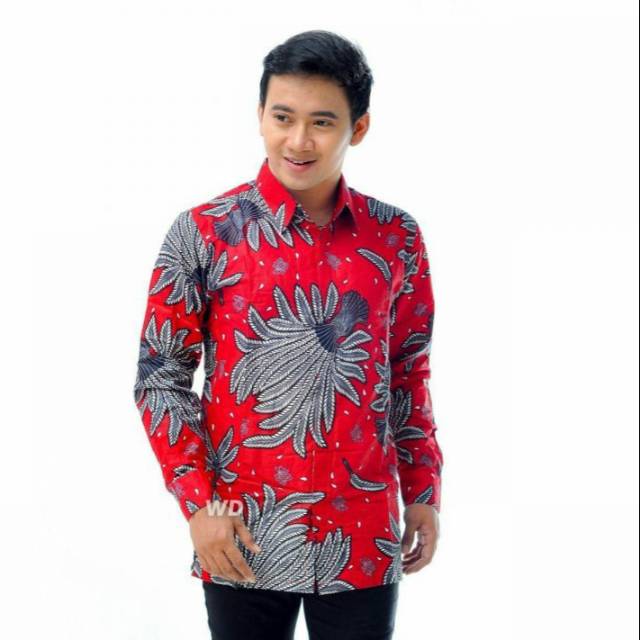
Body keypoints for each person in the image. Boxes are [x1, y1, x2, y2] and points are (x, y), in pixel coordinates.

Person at [133, 29, 443, 640]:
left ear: (358, 128)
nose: (298, 141)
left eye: (322, 122)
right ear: (260, 117)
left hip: (362, 532)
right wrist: (199, 504)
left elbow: (408, 370)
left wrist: (424, 489)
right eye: (283, 117)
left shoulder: (396, 238)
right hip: (239, 528)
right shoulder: (204, 232)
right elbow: (160, 379)